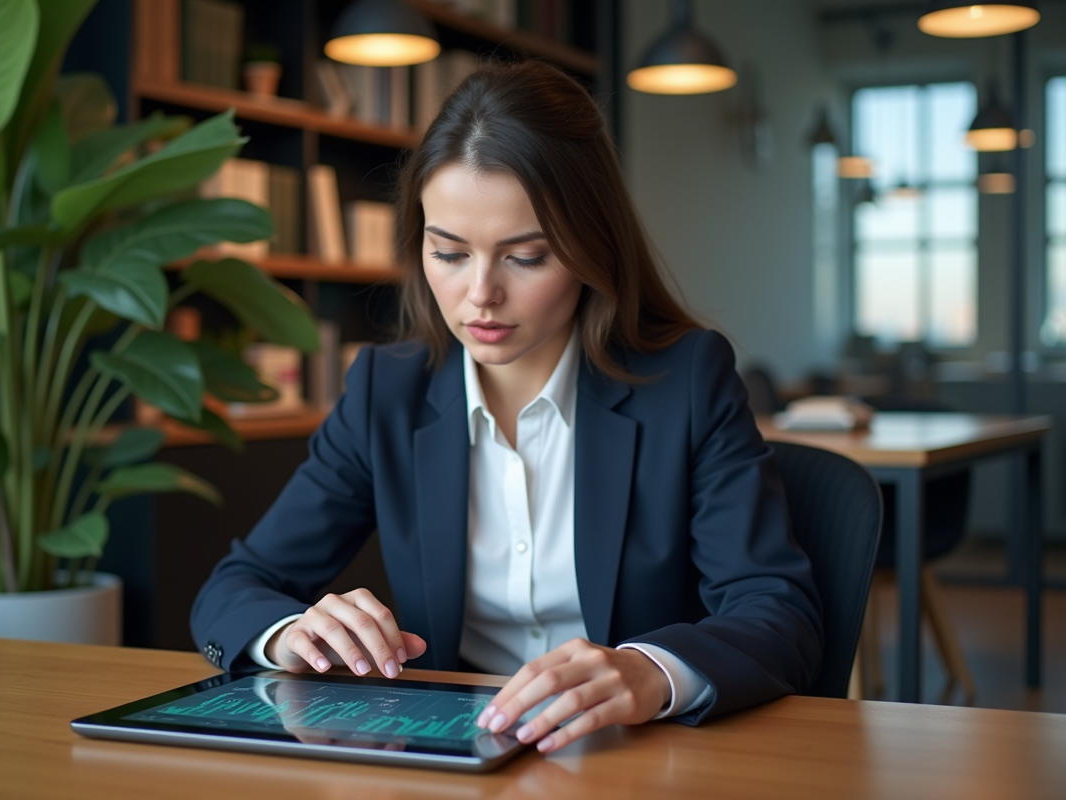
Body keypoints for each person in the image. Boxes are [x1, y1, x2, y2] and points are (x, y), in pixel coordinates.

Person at [191, 60, 821, 753]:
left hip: (638, 757)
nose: (480, 295)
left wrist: (649, 672)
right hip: (457, 755)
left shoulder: (687, 381)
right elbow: (237, 586)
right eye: (449, 253)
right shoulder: (385, 392)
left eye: (526, 257)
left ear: (592, 247)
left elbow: (778, 612)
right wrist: (290, 634)